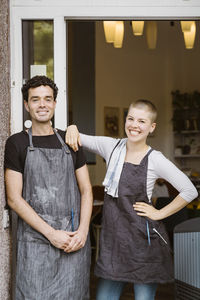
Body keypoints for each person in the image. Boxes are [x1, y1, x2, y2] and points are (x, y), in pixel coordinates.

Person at [65, 99, 198, 300]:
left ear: (151, 127)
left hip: (143, 244)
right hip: (115, 244)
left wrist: (159, 213)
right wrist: (72, 126)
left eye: (142, 121)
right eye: (131, 118)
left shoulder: (155, 159)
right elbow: (77, 137)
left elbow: (189, 190)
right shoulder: (111, 146)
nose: (134, 125)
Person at [4, 75, 93, 300]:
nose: (42, 104)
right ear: (26, 105)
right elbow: (14, 199)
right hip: (36, 245)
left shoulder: (70, 141)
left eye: (47, 99)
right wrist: (52, 234)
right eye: (35, 100)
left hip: (73, 243)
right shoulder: (17, 143)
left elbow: (86, 190)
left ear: (55, 103)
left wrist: (82, 232)